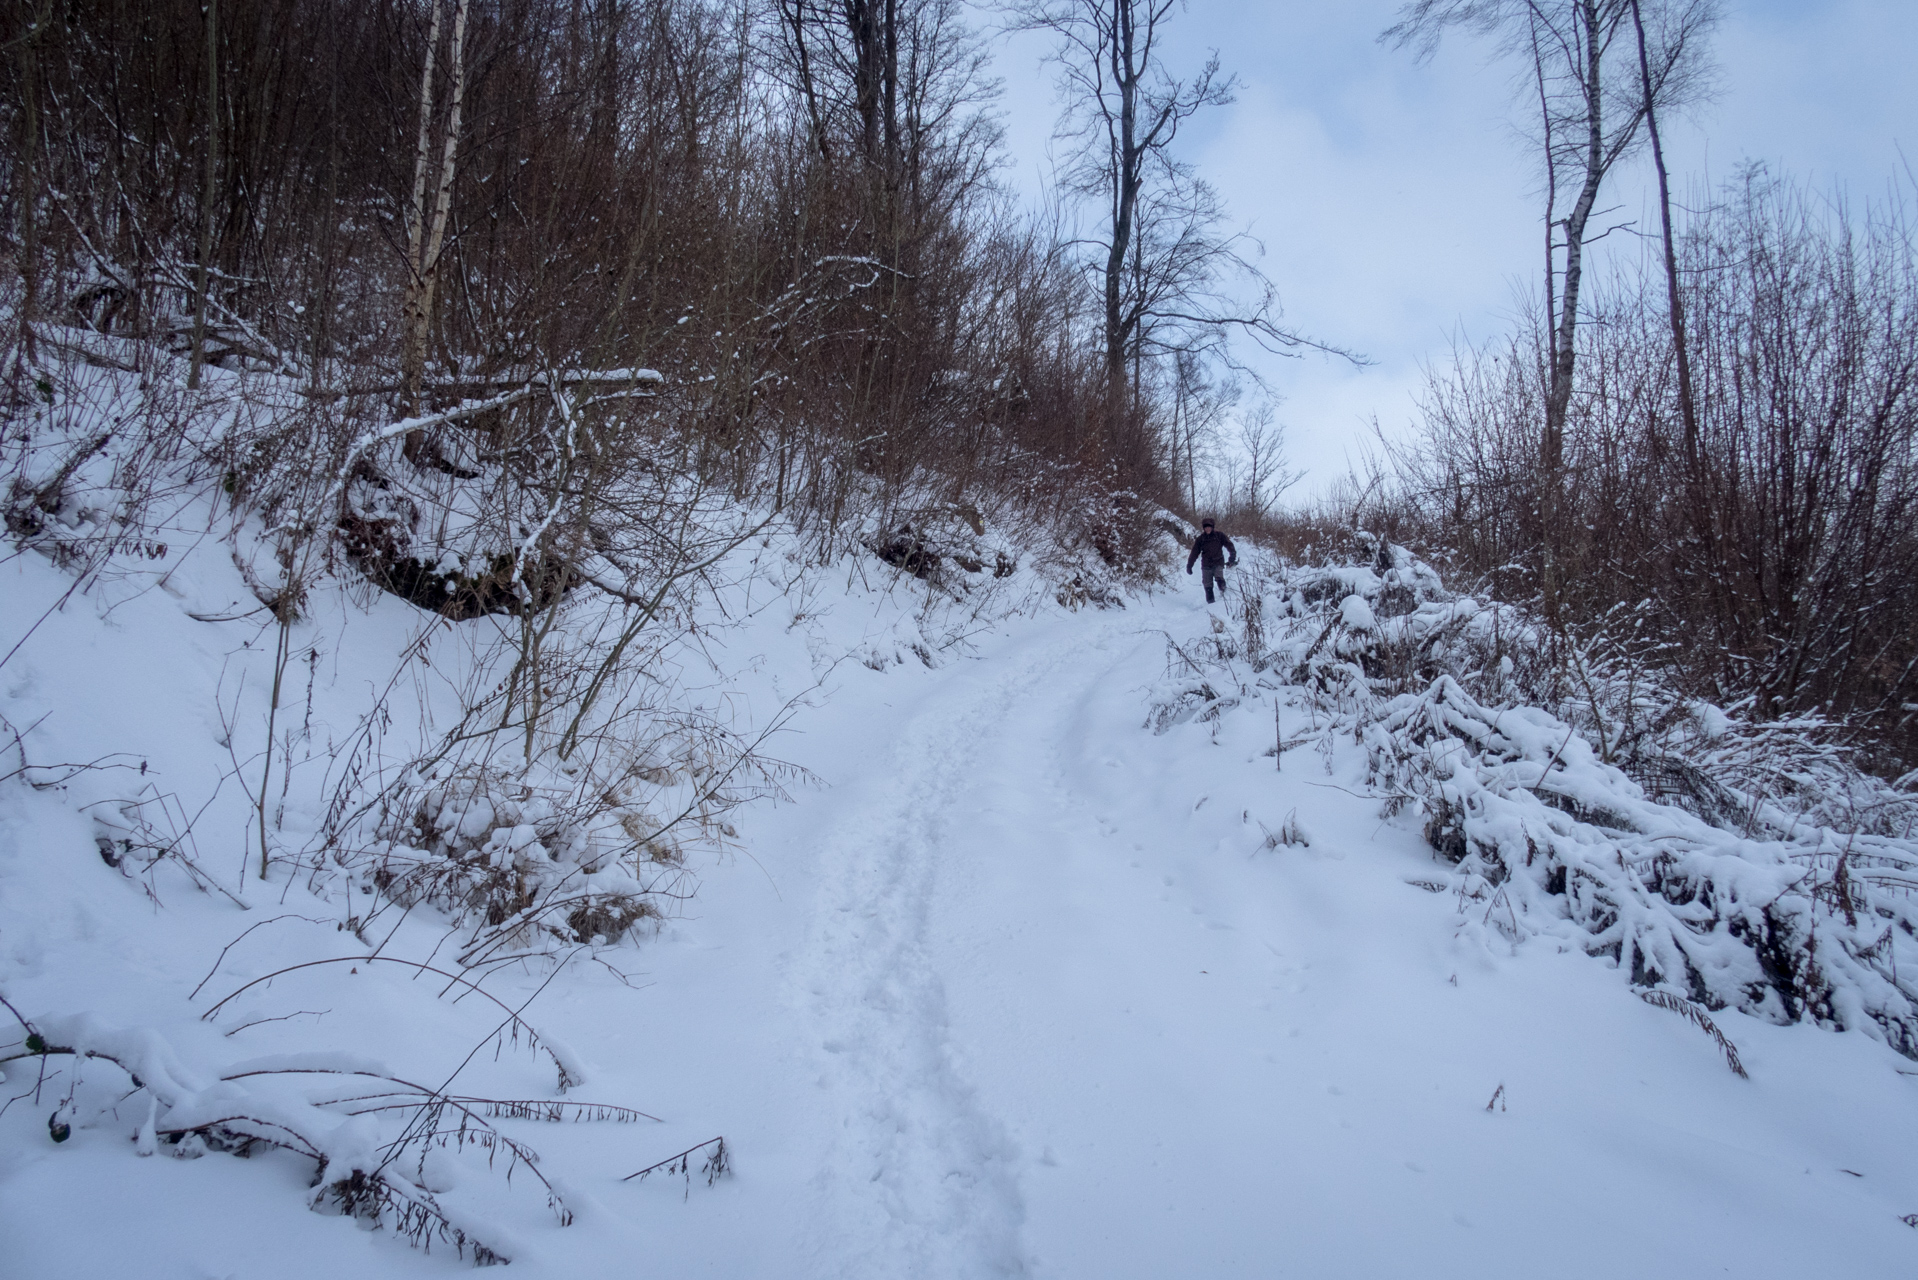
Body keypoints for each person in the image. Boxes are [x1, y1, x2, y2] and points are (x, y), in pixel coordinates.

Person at [1185, 518, 1237, 604]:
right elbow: (1194, 553)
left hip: (1218, 561)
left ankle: (1224, 593)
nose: (1207, 529)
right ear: (1203, 528)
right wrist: (1189, 565)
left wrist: (1232, 556)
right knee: (1207, 584)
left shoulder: (1219, 535)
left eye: (1209, 527)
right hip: (1206, 564)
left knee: (1219, 577)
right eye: (1206, 527)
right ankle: (1211, 603)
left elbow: (1229, 545)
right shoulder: (1200, 539)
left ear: (1212, 527)